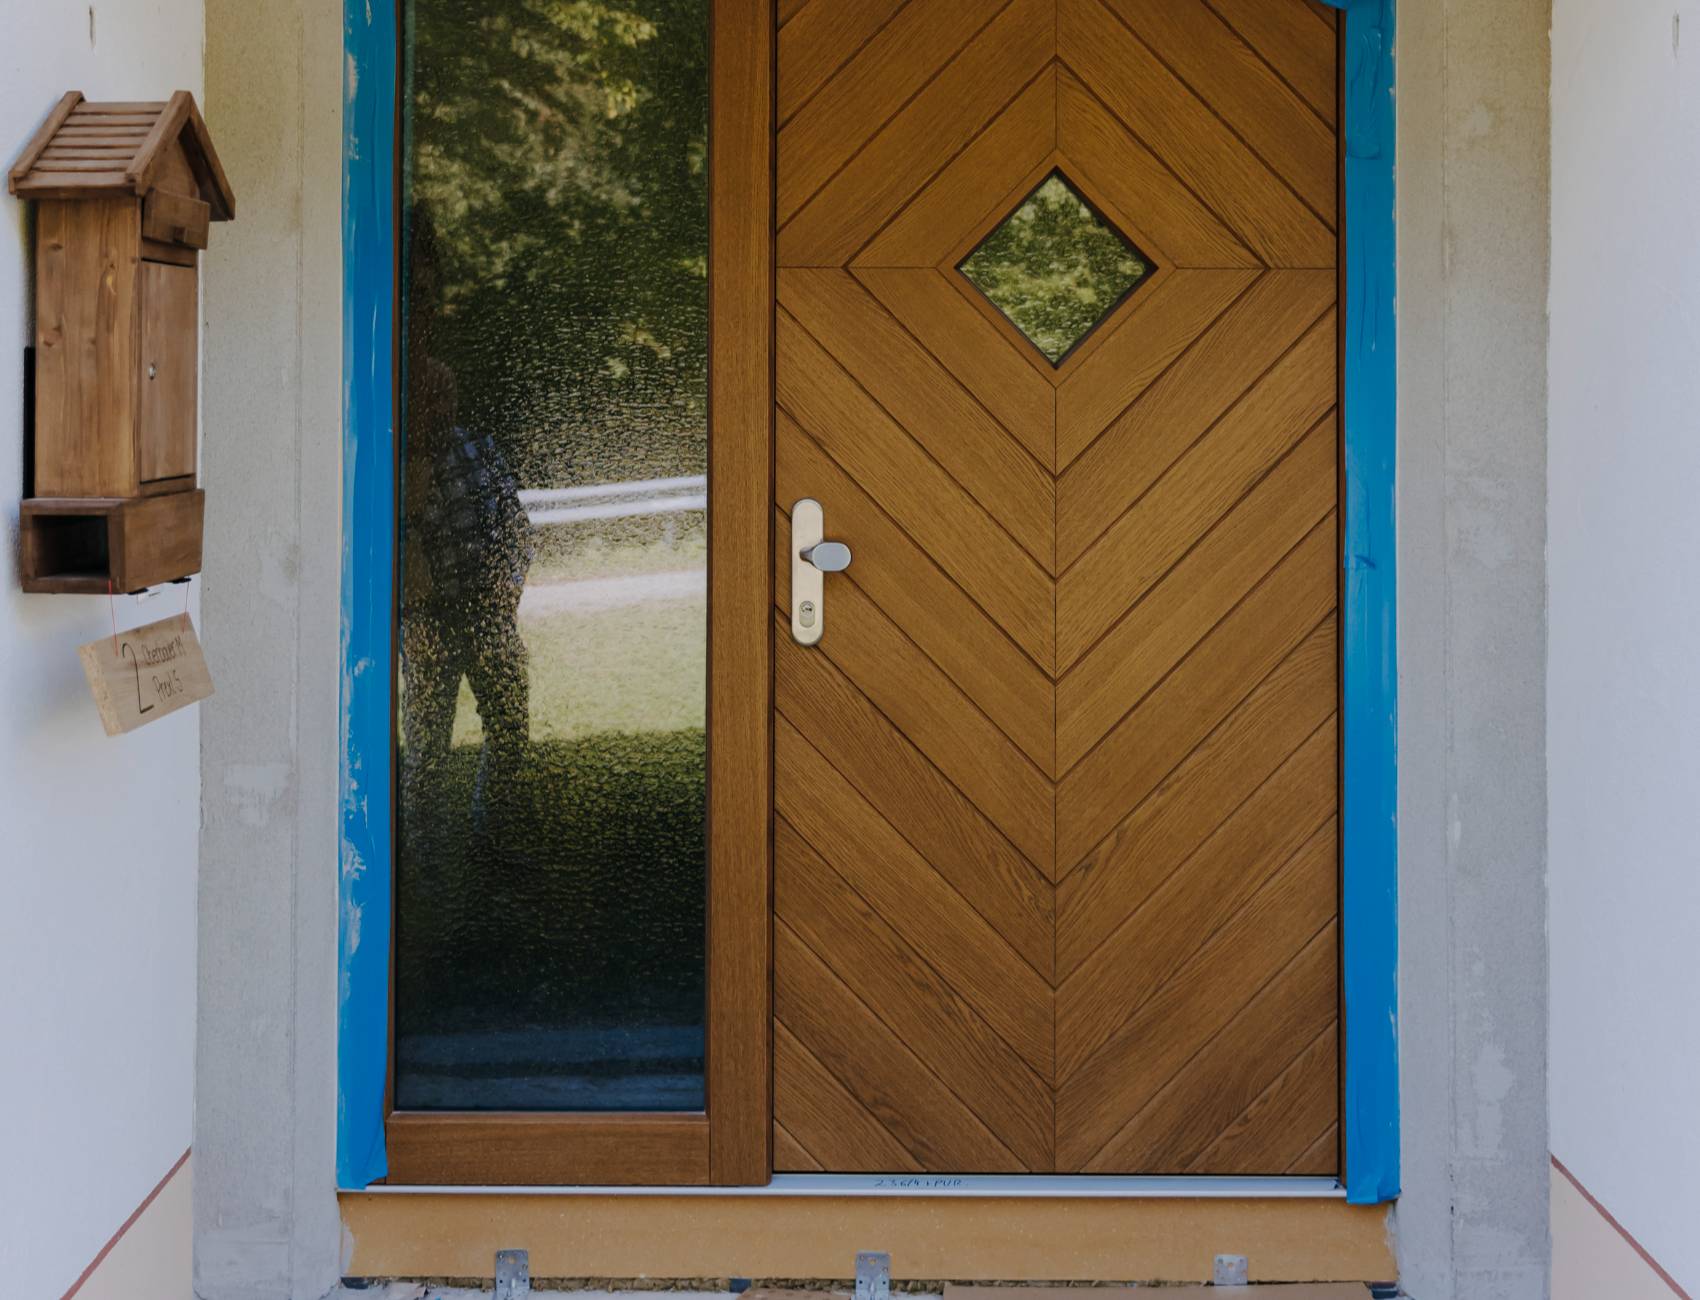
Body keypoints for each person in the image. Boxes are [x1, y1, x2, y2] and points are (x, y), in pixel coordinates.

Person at [398, 207, 534, 843]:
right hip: (428, 616)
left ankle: (496, 835)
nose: (437, 403)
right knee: (425, 741)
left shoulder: (476, 454)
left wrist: (506, 585)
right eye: (427, 395)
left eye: (442, 396)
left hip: (484, 605)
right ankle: (419, 848)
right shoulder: (393, 471)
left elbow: (516, 524)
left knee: (508, 722)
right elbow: (403, 549)